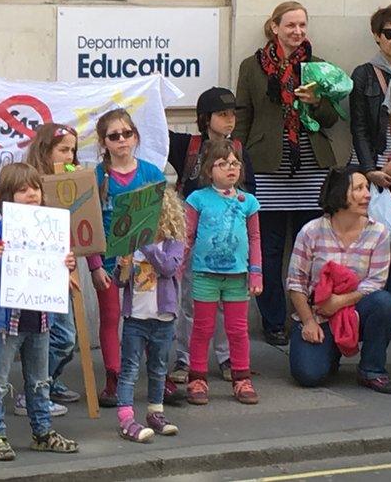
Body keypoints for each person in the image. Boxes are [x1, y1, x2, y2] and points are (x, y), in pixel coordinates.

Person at [235, 1, 343, 346]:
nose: (297, 32)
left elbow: (332, 119)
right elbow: (242, 117)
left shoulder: (318, 67)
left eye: (302, 26)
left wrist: (315, 103)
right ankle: (273, 320)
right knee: (267, 248)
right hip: (267, 167)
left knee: (309, 248)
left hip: (310, 168)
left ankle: (307, 315)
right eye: (291, 25)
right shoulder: (252, 67)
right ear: (275, 27)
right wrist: (237, 161)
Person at [0, 163, 80, 461]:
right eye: (22, 189)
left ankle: (42, 432)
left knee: (39, 380)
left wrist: (67, 265)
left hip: (41, 318)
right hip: (7, 322)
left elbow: (59, 272)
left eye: (35, 187)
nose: (31, 193)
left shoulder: (52, 228)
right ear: (7, 197)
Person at [167, 87, 256, 385]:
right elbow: (152, 130)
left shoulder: (241, 151)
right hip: (194, 243)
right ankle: (184, 359)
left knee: (227, 308)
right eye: (222, 114)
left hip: (230, 245)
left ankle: (227, 357)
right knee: (190, 303)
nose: (229, 121)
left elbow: (250, 198)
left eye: (232, 114)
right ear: (205, 118)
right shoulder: (187, 147)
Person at [287, 167, 391, 393]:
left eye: (367, 188)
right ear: (339, 193)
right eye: (358, 188)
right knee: (308, 375)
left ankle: (372, 369)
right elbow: (295, 283)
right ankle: (330, 352)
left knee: (385, 302)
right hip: (318, 314)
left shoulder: (378, 233)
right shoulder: (311, 231)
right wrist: (308, 321)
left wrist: (339, 301)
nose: (367, 194)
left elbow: (376, 283)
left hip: (357, 310)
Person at [89, 109, 167, 407]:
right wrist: (95, 266)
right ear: (103, 142)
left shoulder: (150, 172)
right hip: (108, 261)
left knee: (147, 318)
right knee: (110, 317)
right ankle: (114, 376)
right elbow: (87, 225)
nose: (122, 139)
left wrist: (163, 259)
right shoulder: (97, 176)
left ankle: (156, 374)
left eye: (127, 133)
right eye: (114, 135)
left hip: (145, 261)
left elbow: (165, 219)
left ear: (135, 136)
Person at [184, 139, 262, 406]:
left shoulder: (248, 201)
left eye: (235, 163)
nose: (231, 168)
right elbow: (187, 236)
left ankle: (242, 377)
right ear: (208, 170)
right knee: (202, 328)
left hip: (237, 276)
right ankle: (197, 377)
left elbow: (255, 238)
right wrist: (176, 268)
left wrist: (256, 273)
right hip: (205, 274)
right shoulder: (197, 199)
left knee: (238, 329)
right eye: (223, 163)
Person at [114, 187, 186, 442]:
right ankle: (125, 417)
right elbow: (120, 283)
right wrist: (121, 268)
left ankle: (155, 412)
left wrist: (146, 246)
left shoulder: (172, 244)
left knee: (158, 368)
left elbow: (168, 268)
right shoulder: (130, 246)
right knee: (130, 369)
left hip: (163, 318)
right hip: (136, 317)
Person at [21, 123, 82, 413]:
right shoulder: (31, 184)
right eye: (63, 149)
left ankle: (47, 382)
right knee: (57, 334)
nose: (69, 156)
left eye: (72, 150)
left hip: (65, 268)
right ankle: (33, 392)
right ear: (46, 150)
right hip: (39, 272)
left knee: (65, 336)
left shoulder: (72, 180)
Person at [349, 4, 391, 307]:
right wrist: (370, 170)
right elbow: (357, 126)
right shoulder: (364, 75)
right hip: (373, 170)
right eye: (390, 32)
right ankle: (373, 310)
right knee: (375, 242)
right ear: (377, 36)